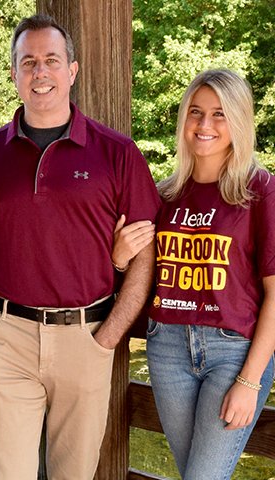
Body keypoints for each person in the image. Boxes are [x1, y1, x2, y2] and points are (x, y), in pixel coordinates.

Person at [0, 14, 161, 479]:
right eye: (28, 61)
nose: (40, 72)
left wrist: (109, 338)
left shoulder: (118, 153)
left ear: (71, 71)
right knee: (7, 474)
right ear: (13, 73)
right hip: (7, 334)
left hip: (86, 335)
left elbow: (144, 255)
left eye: (51, 60)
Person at [116, 69, 275, 479]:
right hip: (166, 347)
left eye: (220, 114)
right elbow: (136, 276)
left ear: (239, 121)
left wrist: (251, 381)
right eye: (196, 112)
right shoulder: (163, 195)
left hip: (232, 350)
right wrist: (119, 258)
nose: (205, 125)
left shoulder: (259, 191)